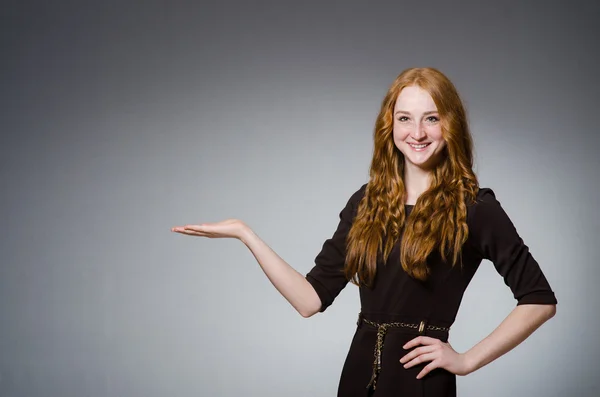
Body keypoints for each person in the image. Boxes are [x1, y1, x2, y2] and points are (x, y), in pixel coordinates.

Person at [171, 67, 557, 396]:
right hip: (356, 377)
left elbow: (539, 300)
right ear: (390, 125)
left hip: (421, 382)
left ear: (450, 124)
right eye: (405, 118)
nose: (417, 132)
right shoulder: (367, 202)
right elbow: (309, 300)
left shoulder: (474, 207)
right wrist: (245, 234)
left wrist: (467, 360)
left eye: (431, 118)